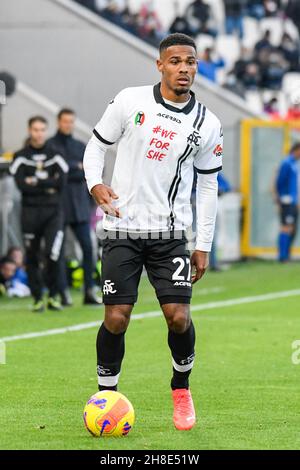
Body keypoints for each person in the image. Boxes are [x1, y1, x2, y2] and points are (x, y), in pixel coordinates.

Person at [83, 33, 223, 431]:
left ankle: (181, 388)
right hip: (121, 229)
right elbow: (95, 148)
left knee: (178, 317)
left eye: (191, 61)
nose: (184, 68)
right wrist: (96, 185)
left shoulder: (207, 124)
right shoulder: (130, 101)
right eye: (175, 61)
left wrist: (204, 244)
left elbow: (208, 185)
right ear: (159, 65)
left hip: (170, 234)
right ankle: (106, 397)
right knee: (117, 318)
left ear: (197, 66)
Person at [10, 116, 68, 312]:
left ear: (46, 130)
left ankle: (54, 296)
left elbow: (61, 183)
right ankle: (37, 298)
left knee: (53, 253)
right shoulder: (20, 156)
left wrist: (34, 181)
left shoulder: (56, 154)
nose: (39, 133)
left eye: (42, 129)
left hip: (53, 212)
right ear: (29, 130)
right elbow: (20, 185)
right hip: (30, 213)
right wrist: (47, 183)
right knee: (32, 256)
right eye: (35, 129)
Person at [48, 109, 101, 306]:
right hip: (58, 209)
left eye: (71, 121)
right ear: (58, 122)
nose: (68, 124)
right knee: (58, 252)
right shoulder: (51, 146)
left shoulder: (80, 146)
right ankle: (63, 293)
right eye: (65, 121)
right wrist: (75, 168)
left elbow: (90, 170)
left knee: (88, 249)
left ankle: (89, 290)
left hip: (79, 207)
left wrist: (69, 169)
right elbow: (54, 173)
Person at [275, 142, 300, 262]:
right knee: (286, 227)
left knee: (292, 227)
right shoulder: (286, 163)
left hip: (293, 201)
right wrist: (280, 199)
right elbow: (279, 182)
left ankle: (287, 254)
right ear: (296, 150)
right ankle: (282, 256)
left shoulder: (294, 164)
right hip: (287, 201)